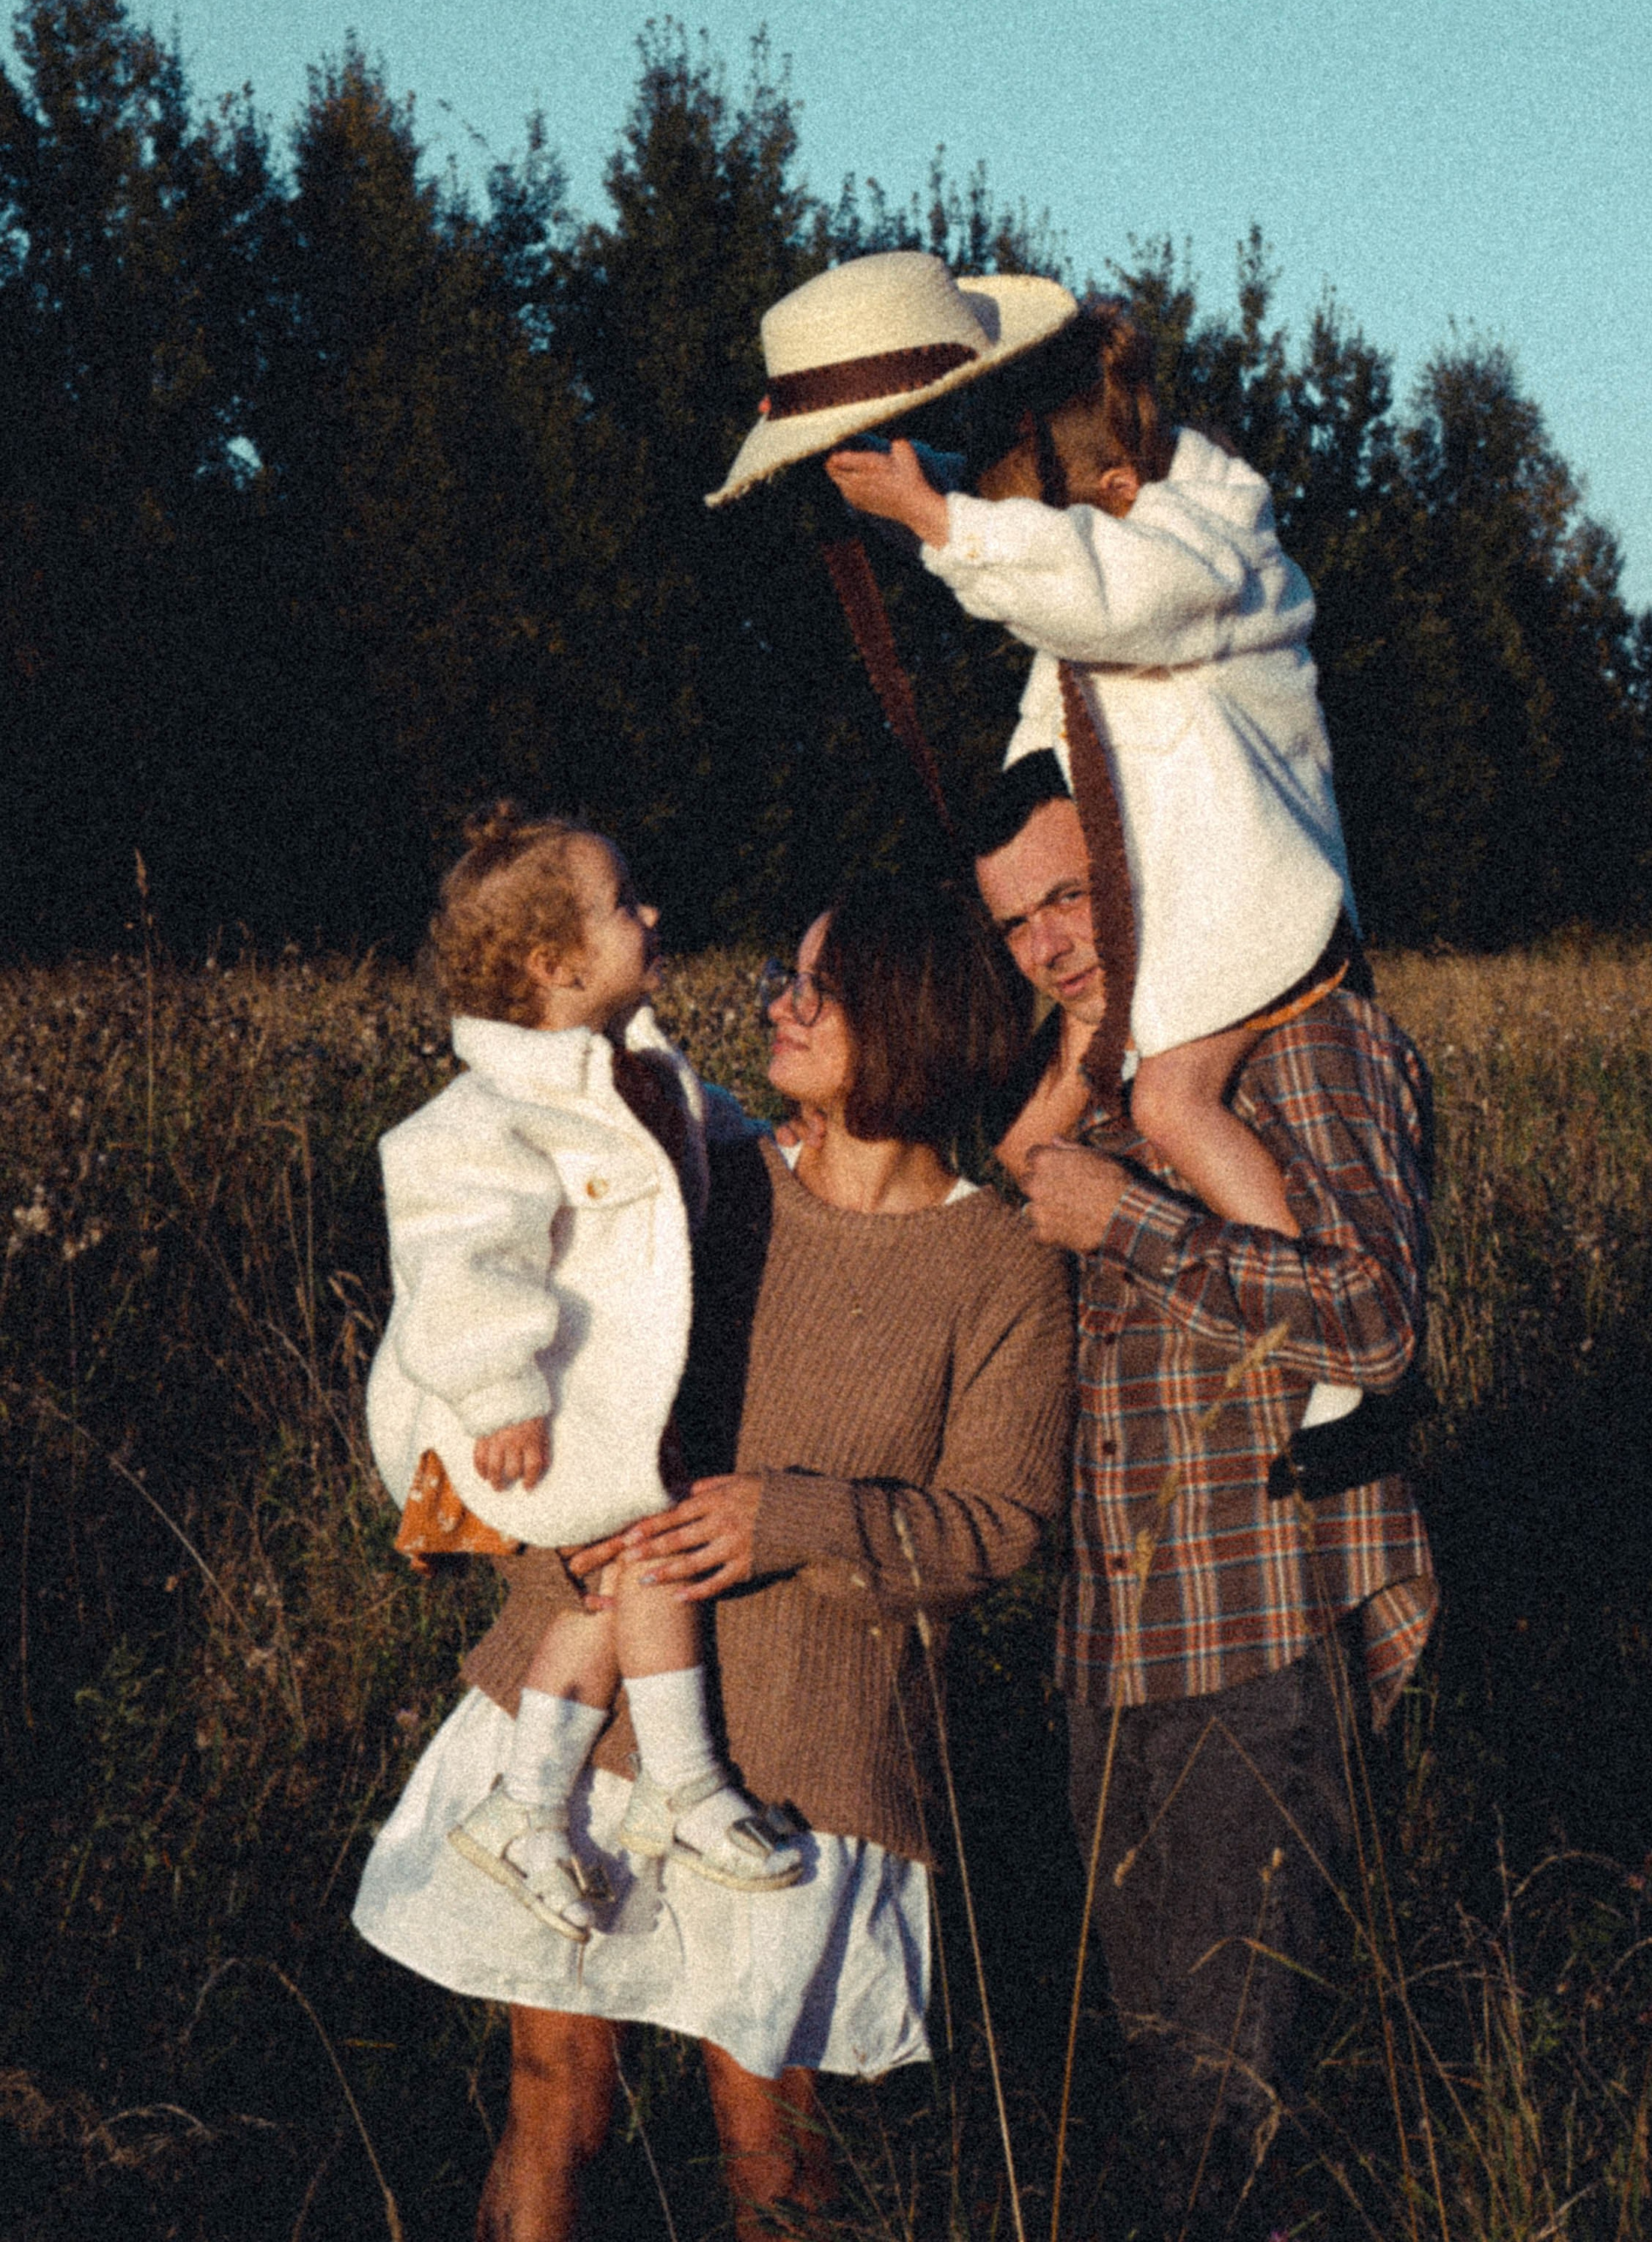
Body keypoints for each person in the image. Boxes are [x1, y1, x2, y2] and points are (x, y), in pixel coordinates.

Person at [354, 869, 1072, 2242]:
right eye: (784, 975)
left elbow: (1000, 1527)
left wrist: (785, 1517)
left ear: (911, 1016)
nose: (779, 1002)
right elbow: (526, 1358)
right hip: (587, 1721)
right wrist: (502, 1526)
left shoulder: (1001, 1267)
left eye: (819, 983)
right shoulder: (698, 1182)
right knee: (558, 2100)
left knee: (776, 2156)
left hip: (809, 1755)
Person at [968, 755, 1436, 2228]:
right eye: (1013, 926)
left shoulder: (1305, 1045)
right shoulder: (1102, 1085)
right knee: (1157, 2083)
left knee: (1215, 2118)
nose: (1048, 944)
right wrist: (1067, 1099)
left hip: (1251, 1652)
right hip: (1107, 1659)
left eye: (1068, 895)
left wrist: (1131, 1218)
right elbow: (978, 1290)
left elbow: (1377, 1324)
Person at [826, 299, 1357, 1246]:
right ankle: (966, 1261)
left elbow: (1089, 580)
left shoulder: (1204, 563)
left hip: (1256, 911)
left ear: (1117, 490)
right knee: (1032, 1131)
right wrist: (882, 477)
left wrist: (938, 521)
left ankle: (1302, 1285)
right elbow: (1035, 534)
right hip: (1176, 913)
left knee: (1169, 1104)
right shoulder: (1129, 514)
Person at [366, 801, 799, 1945]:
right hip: (507, 1414)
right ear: (554, 964)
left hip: (606, 1403)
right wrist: (499, 1389)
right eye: (624, 904)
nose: (652, 912)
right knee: (647, 1544)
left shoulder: (638, 1072)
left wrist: (767, 1144)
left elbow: (703, 1136)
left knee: (617, 1579)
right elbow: (457, 1252)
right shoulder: (489, 1114)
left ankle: (525, 1806)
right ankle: (685, 1781)